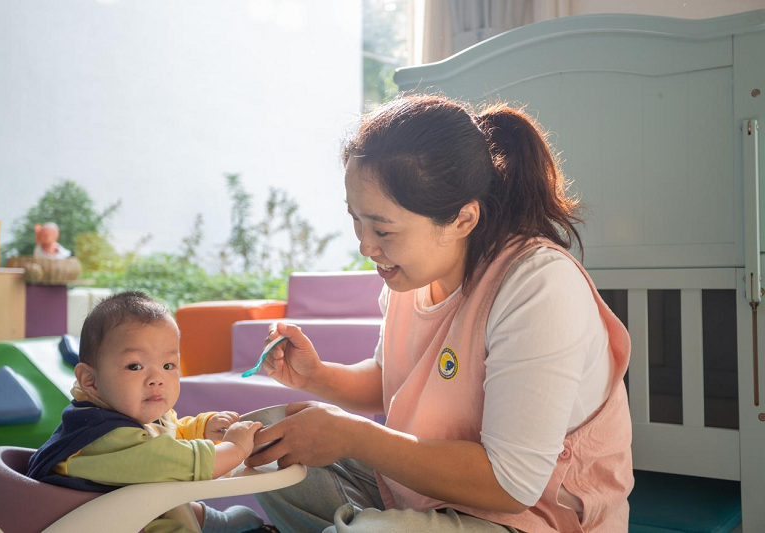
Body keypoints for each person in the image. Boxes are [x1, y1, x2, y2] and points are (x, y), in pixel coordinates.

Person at [245, 94, 633, 533]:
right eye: (356, 220)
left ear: (463, 220)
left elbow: (513, 484)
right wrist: (316, 376)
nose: (366, 246)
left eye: (383, 228)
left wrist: (353, 436)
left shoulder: (537, 284)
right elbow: (392, 378)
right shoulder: (412, 276)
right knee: (262, 440)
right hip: (425, 495)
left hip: (529, 518)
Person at [28, 291, 268, 533]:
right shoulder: (104, 438)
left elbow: (167, 435)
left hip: (128, 511)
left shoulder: (125, 414)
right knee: (166, 487)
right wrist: (236, 448)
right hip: (106, 524)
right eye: (135, 366)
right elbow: (185, 463)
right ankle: (209, 523)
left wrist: (201, 428)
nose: (157, 379)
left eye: (168, 365)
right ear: (90, 380)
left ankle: (212, 522)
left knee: (162, 491)